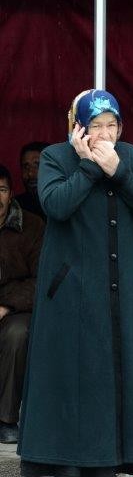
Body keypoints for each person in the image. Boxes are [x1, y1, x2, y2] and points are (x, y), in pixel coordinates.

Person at [17, 89, 133, 477]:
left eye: (111, 125)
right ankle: (78, 466)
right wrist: (88, 168)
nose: (104, 134)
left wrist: (119, 169)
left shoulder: (129, 156)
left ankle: (119, 459)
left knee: (119, 367)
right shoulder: (55, 157)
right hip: (73, 285)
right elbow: (56, 205)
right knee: (82, 372)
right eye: (95, 125)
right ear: (76, 125)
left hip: (121, 285)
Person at [0, 165, 44, 444]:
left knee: (16, 335)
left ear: (10, 193)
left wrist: (5, 305)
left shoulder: (31, 226)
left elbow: (43, 280)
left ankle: (6, 419)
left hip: (19, 309)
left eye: (1, 190)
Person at [15, 142, 48, 219]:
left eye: (37, 165)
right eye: (26, 167)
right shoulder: (16, 207)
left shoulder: (65, 203)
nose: (30, 173)